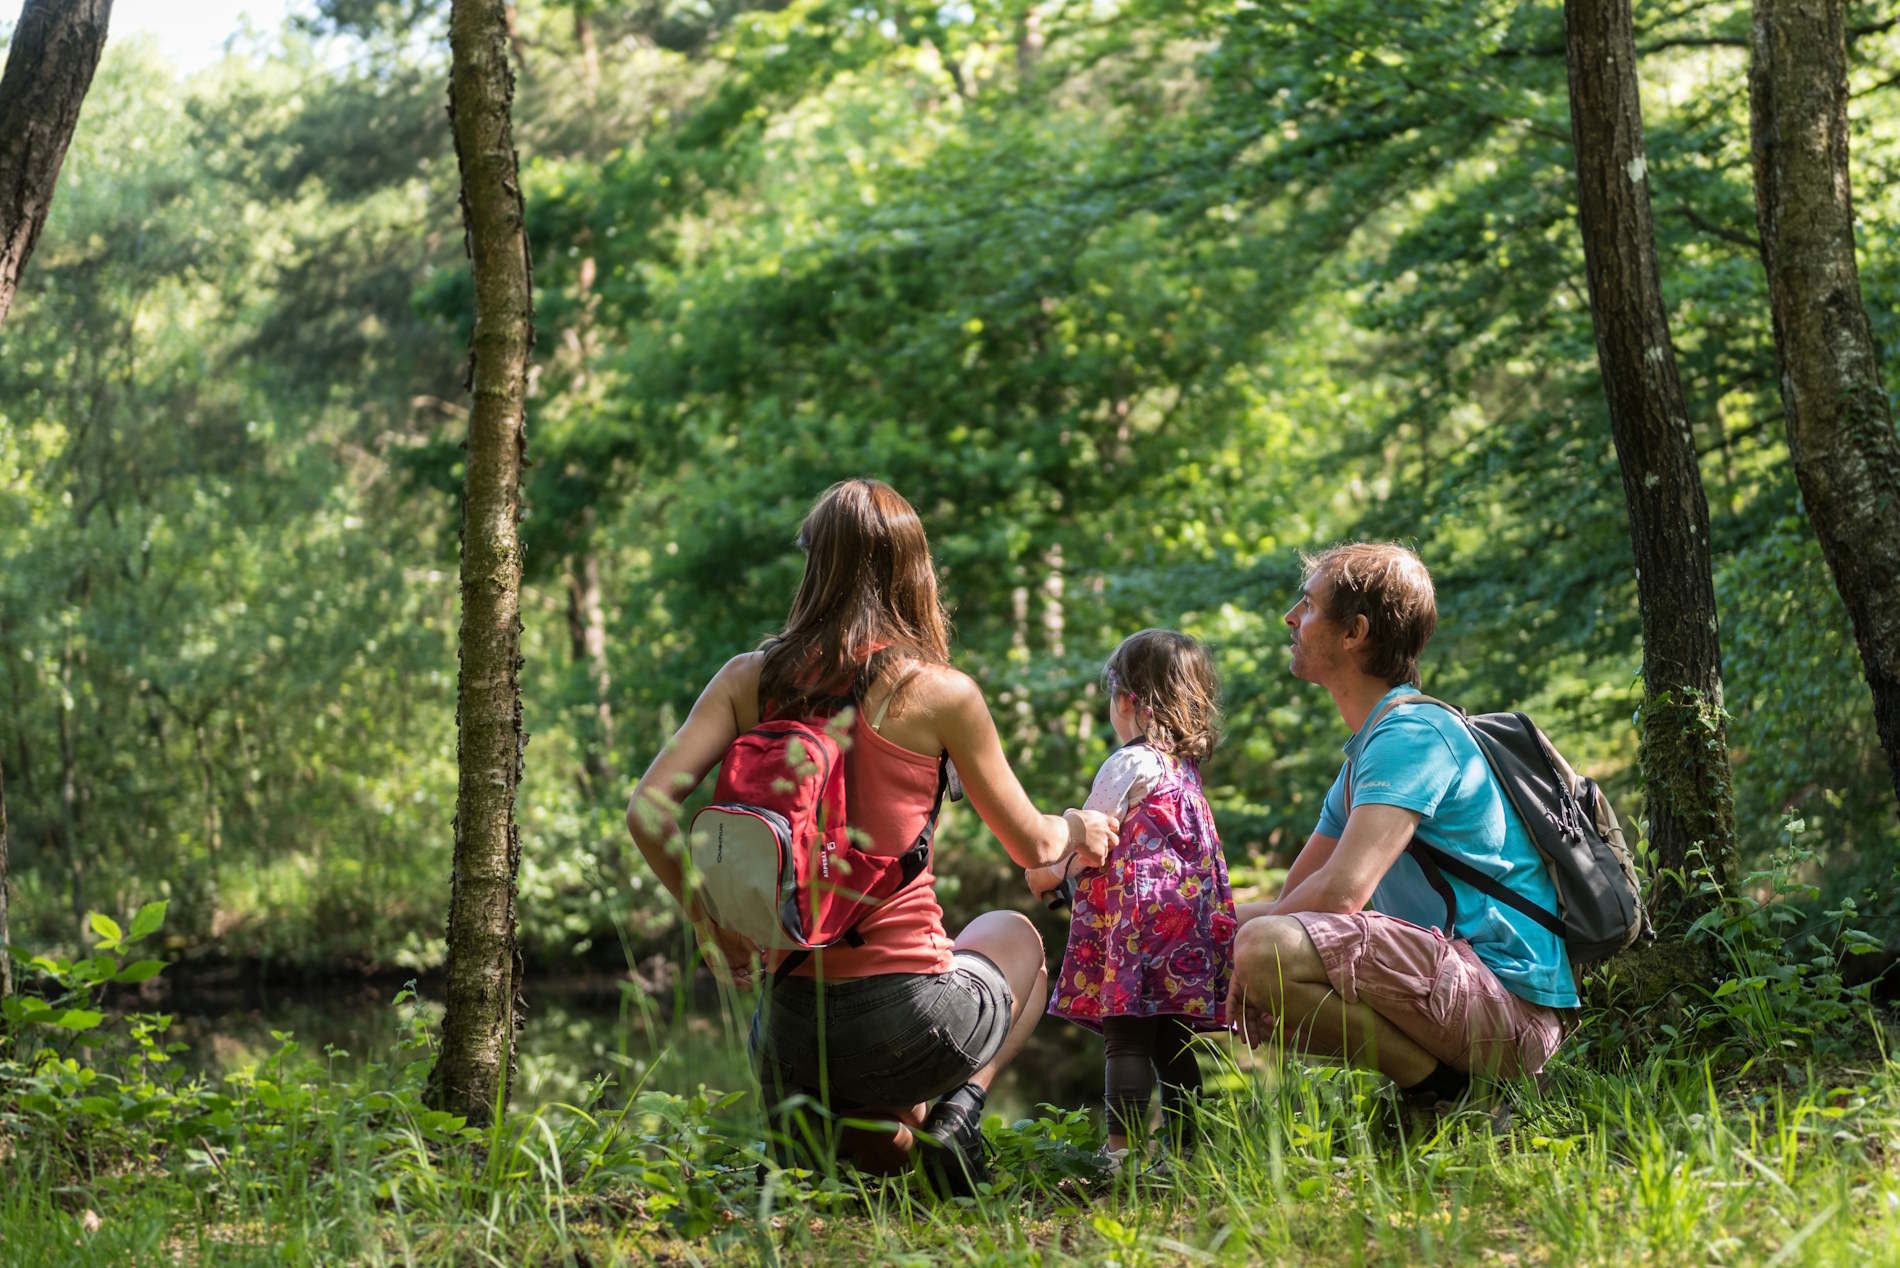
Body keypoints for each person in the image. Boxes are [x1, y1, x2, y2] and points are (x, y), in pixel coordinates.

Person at [625, 478, 1121, 1190]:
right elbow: (1036, 847)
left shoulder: (747, 679)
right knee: (1016, 936)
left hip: (789, 1035)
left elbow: (648, 809)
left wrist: (709, 924)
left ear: (813, 564)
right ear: (914, 571)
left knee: (881, 1146)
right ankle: (960, 1116)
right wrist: (1080, 823)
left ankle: (874, 1131)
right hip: (907, 1016)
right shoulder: (940, 693)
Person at [1225, 543, 1575, 1124]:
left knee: (1264, 950)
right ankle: (1443, 1087)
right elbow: (1293, 899)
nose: (1290, 618)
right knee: (1220, 944)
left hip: (1512, 1012)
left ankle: (1444, 1094)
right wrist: (1181, 929)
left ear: (1353, 632)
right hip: (1463, 993)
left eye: (1307, 606)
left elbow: (1338, 897)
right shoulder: (1365, 757)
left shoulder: (1413, 735)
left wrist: (1252, 950)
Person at [1027, 630, 1237, 1168]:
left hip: (1138, 929)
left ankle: (1119, 1151)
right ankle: (1185, 1154)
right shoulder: (1186, 773)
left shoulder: (1130, 763)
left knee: (1126, 1041)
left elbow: (1091, 836)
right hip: (1186, 933)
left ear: (1126, 700)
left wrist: (1048, 874)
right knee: (1176, 1043)